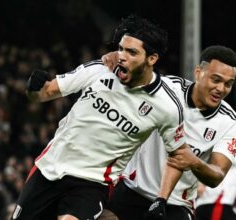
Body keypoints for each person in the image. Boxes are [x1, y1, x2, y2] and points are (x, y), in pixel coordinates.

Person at [12, 15, 189, 220]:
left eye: (132, 52)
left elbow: (178, 154)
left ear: (152, 59)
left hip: (92, 182)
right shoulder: (99, 70)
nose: (121, 56)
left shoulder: (166, 107)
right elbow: (46, 92)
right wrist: (34, 88)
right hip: (49, 168)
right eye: (121, 48)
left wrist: (162, 199)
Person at [100, 45, 236, 220]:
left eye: (228, 84)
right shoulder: (167, 88)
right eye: (216, 80)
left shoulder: (231, 123)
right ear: (198, 72)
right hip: (132, 189)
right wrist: (118, 59)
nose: (221, 89)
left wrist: (194, 162)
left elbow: (217, 175)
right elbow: (132, 75)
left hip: (176, 205)